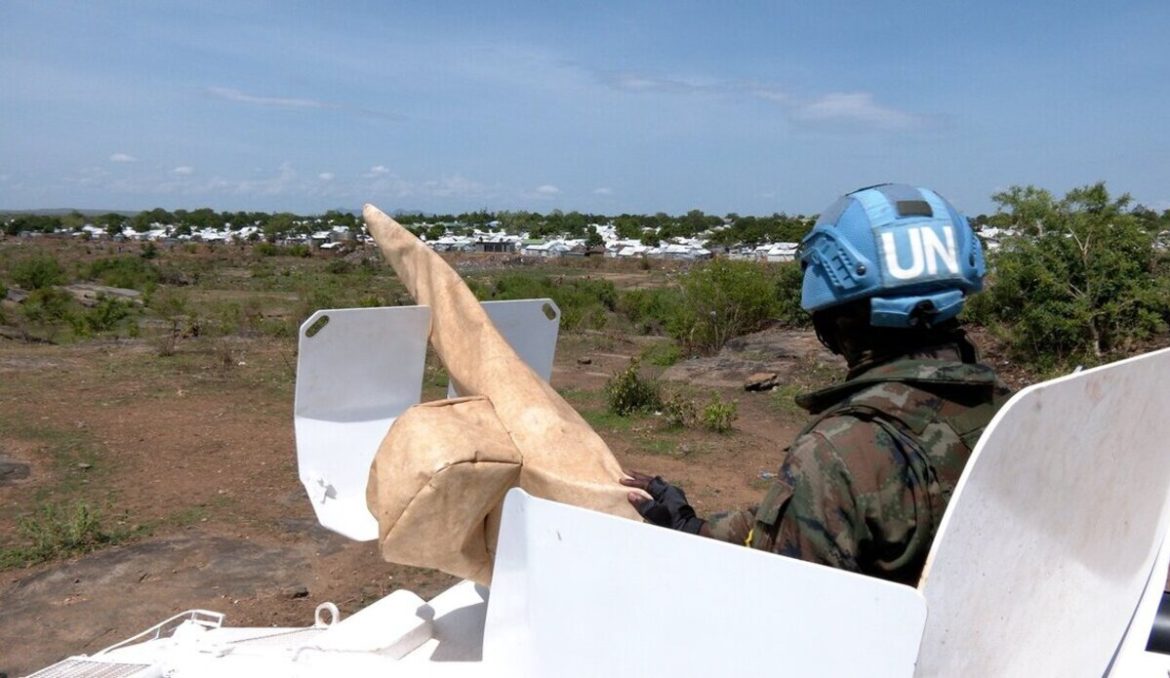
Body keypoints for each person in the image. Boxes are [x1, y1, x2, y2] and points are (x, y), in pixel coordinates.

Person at [622, 183, 1012, 585]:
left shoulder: (838, 453)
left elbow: (785, 600)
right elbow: (801, 522)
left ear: (831, 316)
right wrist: (693, 527)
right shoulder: (1008, 410)